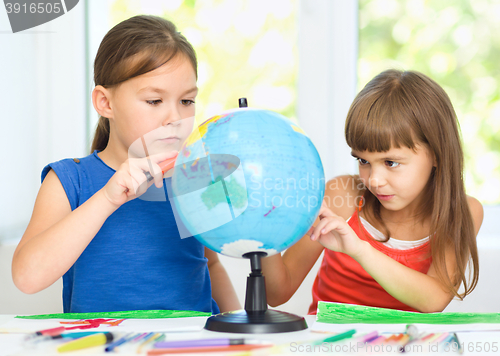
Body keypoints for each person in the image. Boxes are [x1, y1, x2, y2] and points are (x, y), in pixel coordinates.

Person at [12, 15, 240, 314]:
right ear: (105, 103)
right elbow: (27, 278)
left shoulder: (195, 178)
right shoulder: (70, 180)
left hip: (188, 343)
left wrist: (239, 331)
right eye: (154, 101)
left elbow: (210, 265)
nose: (175, 117)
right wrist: (107, 198)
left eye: (186, 101)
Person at [262, 69, 483, 314]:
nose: (374, 181)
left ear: (436, 154)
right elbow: (277, 293)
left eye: (391, 163)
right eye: (363, 161)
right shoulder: (342, 194)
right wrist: (262, 227)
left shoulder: (463, 212)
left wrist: (358, 249)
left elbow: (432, 300)